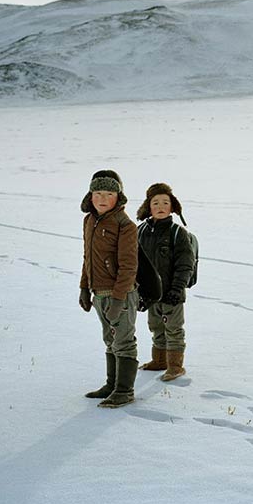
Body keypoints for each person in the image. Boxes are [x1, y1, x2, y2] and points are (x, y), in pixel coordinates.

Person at [78, 169, 139, 408]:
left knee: (123, 339)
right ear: (90, 195)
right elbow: (87, 258)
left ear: (119, 196)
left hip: (121, 294)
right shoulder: (89, 221)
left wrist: (117, 299)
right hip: (98, 293)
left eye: (109, 193)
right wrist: (84, 287)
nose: (103, 198)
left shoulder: (125, 225)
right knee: (109, 339)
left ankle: (124, 390)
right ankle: (112, 384)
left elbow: (128, 266)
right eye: (98, 192)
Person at [135, 183, 195, 381]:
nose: (160, 206)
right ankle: (159, 360)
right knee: (156, 326)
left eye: (165, 202)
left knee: (173, 328)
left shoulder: (178, 233)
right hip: (151, 293)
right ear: (148, 207)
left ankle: (175, 366)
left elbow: (185, 265)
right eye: (155, 203)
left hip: (172, 293)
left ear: (172, 207)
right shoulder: (141, 231)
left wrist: (177, 289)